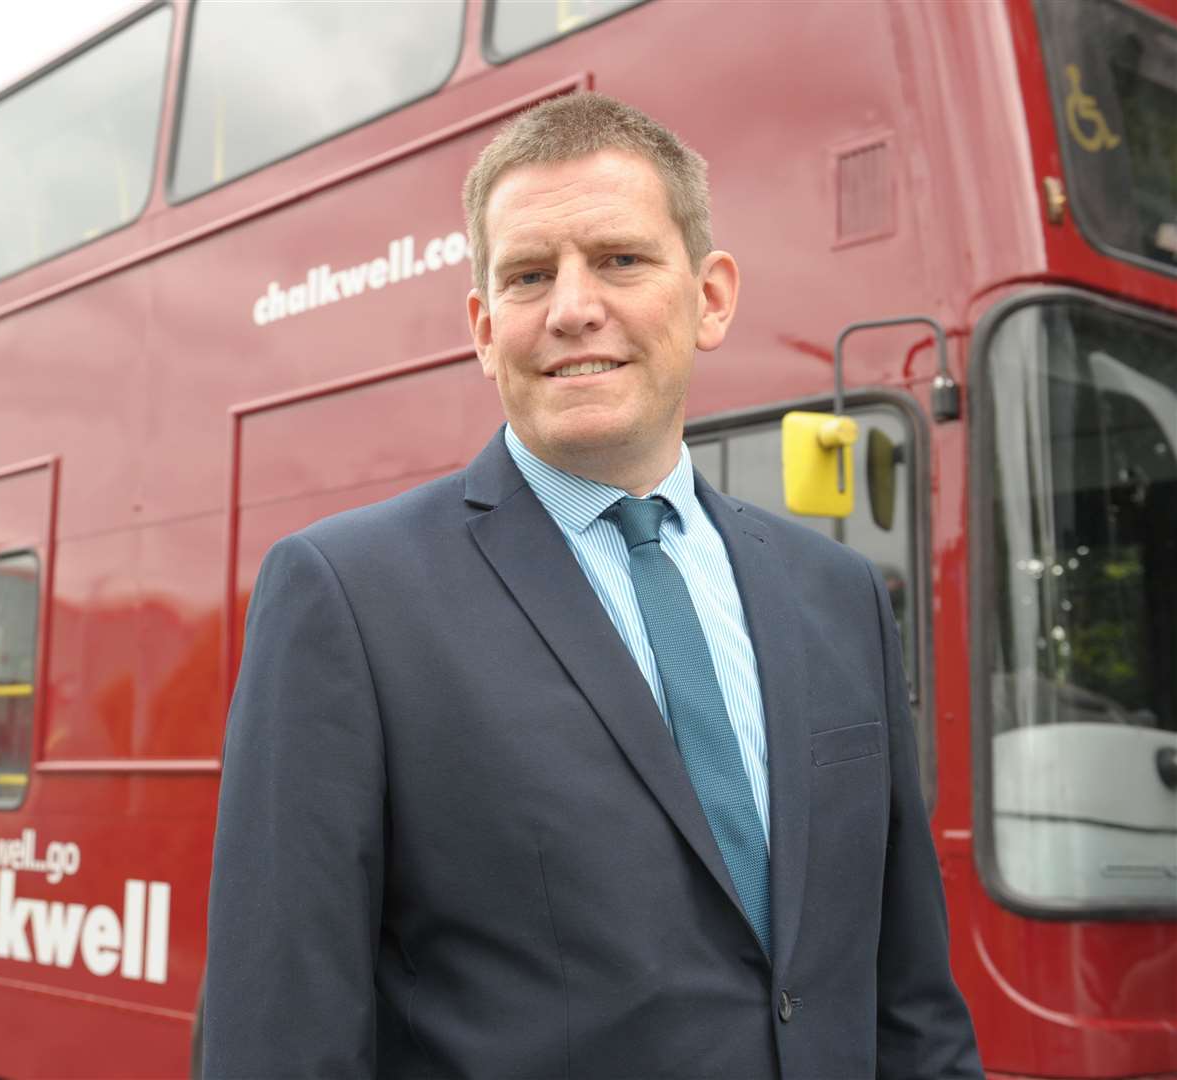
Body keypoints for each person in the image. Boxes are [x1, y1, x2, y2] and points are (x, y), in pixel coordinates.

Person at [202, 91, 981, 1079]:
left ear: (710, 297)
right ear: (485, 329)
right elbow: (280, 1034)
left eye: (619, 259)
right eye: (530, 276)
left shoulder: (840, 595)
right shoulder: (346, 597)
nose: (574, 308)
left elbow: (910, 998)